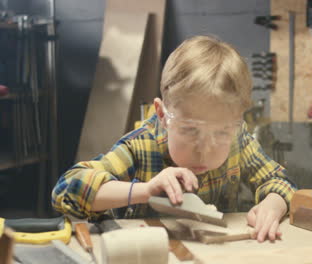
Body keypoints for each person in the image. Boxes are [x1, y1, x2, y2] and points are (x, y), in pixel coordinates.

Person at [52, 35, 296, 242]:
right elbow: (66, 190)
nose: (205, 149)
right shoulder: (141, 146)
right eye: (191, 130)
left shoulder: (237, 139)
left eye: (221, 132)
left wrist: (274, 204)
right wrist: (145, 190)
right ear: (162, 114)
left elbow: (278, 180)